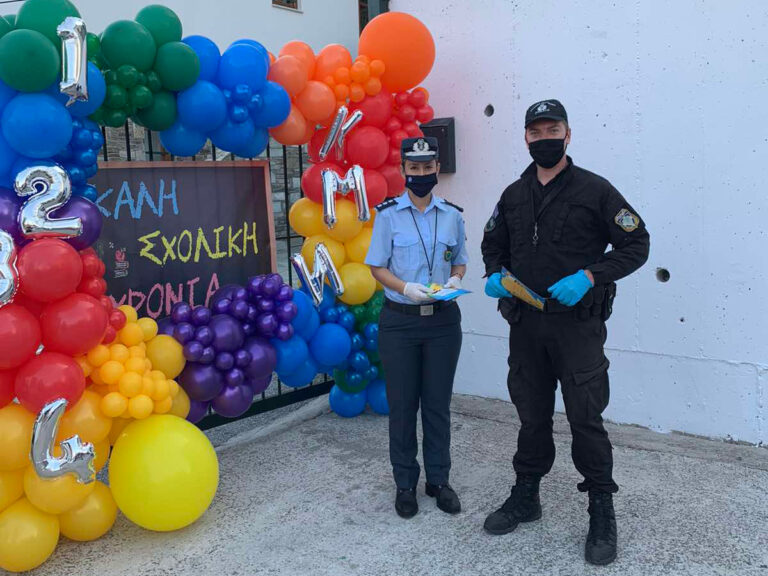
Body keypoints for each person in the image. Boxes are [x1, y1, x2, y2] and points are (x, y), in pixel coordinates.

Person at [480, 99, 650, 565]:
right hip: (526, 325)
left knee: (585, 419)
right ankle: (526, 495)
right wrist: (494, 273)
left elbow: (637, 243)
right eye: (536, 132)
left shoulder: (596, 190)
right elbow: (492, 243)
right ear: (526, 138)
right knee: (531, 416)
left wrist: (591, 276)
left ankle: (601, 510)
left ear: (568, 135)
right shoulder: (514, 194)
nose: (544, 138)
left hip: (577, 328)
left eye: (552, 130)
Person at [365, 136, 468, 519]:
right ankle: (405, 483)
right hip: (400, 323)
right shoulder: (388, 215)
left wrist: (456, 279)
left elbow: (459, 260)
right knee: (403, 407)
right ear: (403, 170)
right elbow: (377, 267)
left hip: (443, 322)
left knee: (437, 406)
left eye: (427, 167)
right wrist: (405, 287)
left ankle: (438, 481)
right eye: (414, 168)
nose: (421, 173)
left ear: (437, 168)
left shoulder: (452, 215)